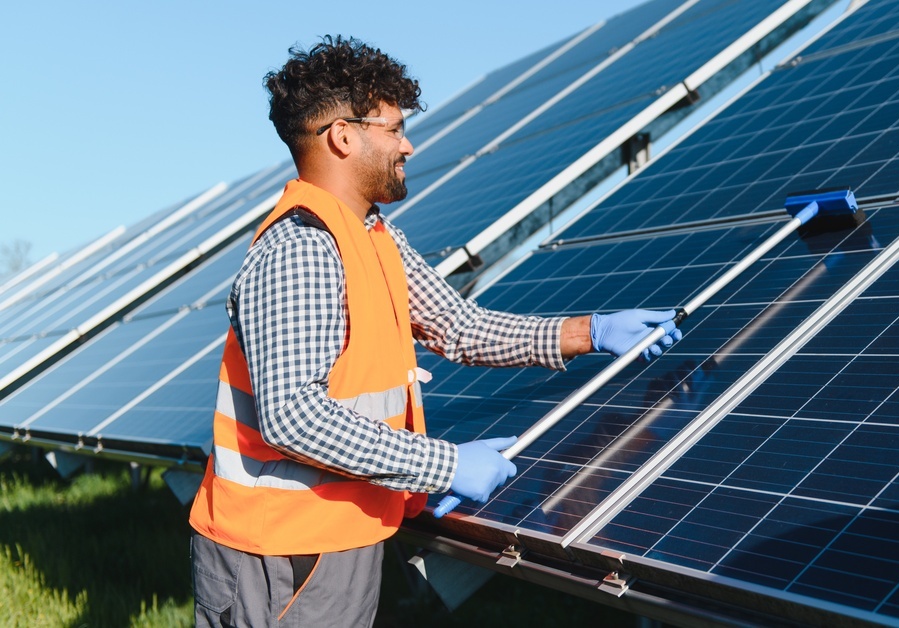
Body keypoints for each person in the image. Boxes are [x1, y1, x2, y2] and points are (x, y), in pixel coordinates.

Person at [188, 35, 681, 627]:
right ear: (344, 137)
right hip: (280, 550)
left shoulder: (371, 235)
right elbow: (293, 415)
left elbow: (459, 326)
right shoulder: (303, 247)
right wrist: (443, 466)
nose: (408, 144)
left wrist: (590, 332)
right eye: (393, 129)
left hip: (332, 530)